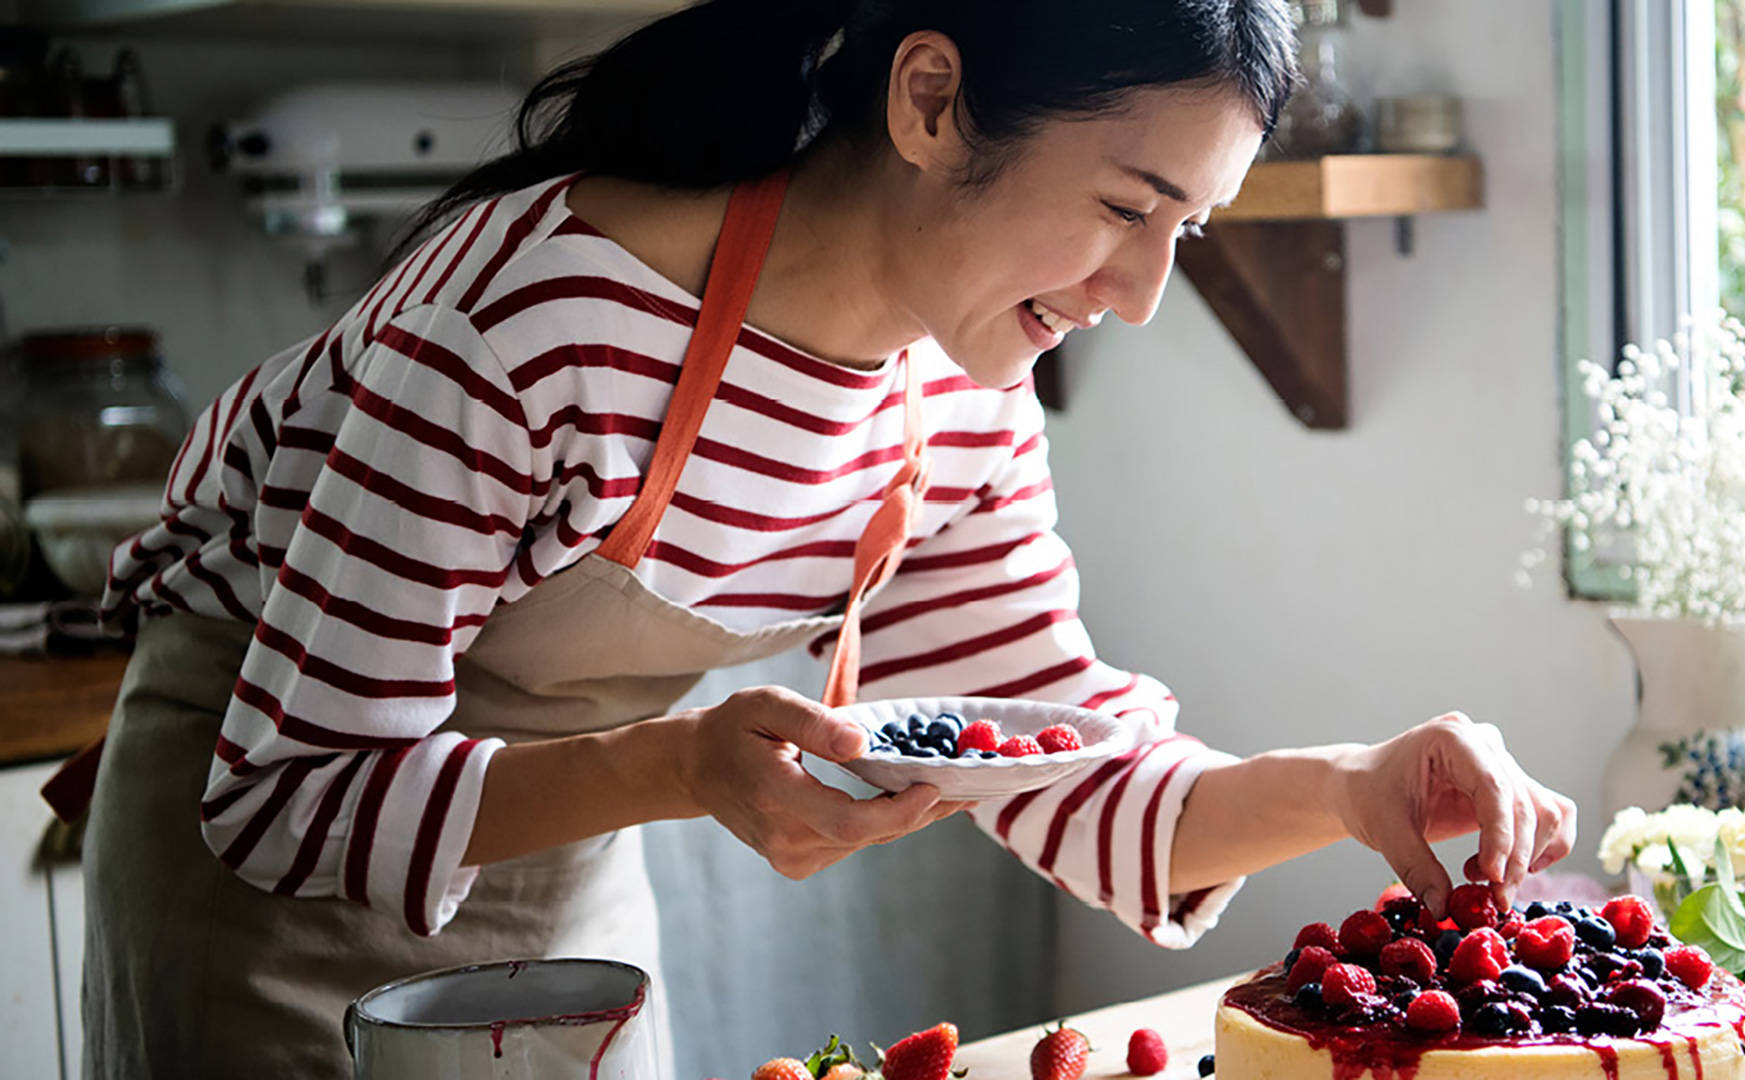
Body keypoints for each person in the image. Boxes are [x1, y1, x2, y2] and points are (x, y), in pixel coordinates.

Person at [70, 1, 1577, 1074]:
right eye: (1129, 207)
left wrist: (1348, 785)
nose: (1141, 296)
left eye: (1188, 231)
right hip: (269, 890)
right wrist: (677, 766)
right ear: (928, 100)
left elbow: (1067, 768)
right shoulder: (540, 320)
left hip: (563, 872)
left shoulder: (961, 397)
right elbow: (285, 799)